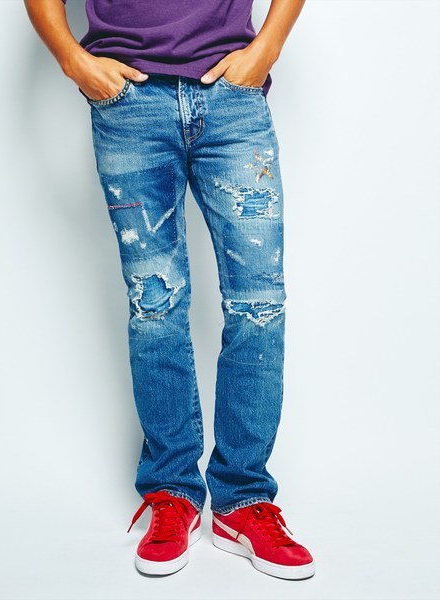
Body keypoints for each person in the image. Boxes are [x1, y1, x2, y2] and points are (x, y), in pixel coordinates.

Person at [24, 0, 315, 580]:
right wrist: (73, 61)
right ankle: (171, 492)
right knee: (154, 306)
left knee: (258, 304)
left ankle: (242, 499)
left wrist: (268, 47)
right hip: (129, 105)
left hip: (233, 101)